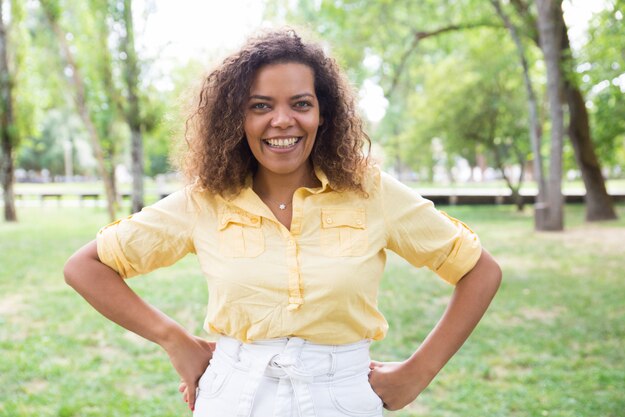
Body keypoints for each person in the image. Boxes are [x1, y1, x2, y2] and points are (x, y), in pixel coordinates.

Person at [64, 29, 502, 417]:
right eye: (260, 106)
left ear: (322, 114)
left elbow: (479, 270)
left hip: (343, 396)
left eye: (300, 104)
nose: (282, 121)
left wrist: (418, 372)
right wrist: (175, 339)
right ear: (237, 118)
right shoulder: (205, 201)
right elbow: (85, 266)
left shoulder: (371, 192)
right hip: (232, 394)